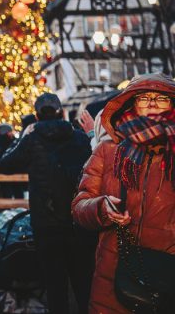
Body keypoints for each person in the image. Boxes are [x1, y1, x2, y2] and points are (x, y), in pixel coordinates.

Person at [72, 74, 175, 313]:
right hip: (112, 279)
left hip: (168, 279)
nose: (151, 103)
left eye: (161, 98)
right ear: (132, 104)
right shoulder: (107, 151)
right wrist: (101, 208)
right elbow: (79, 207)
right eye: (144, 97)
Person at [0, 93, 93, 313]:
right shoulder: (79, 138)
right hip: (77, 220)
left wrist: (25, 135)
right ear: (61, 112)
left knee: (54, 284)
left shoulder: (32, 140)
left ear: (37, 116)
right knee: (83, 282)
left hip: (46, 224)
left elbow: (4, 164)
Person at [0, 124, 25, 199]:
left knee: (7, 195)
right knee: (14, 195)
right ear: (6, 133)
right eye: (10, 131)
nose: (11, 133)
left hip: (6, 175)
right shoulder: (12, 143)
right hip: (11, 174)